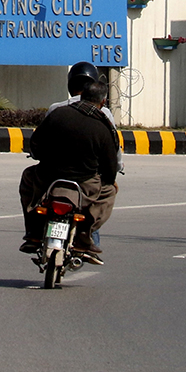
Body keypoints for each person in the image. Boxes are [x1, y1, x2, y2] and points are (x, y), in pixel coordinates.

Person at [20, 68, 120, 259]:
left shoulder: (57, 113)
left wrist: (44, 159)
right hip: (85, 183)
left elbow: (36, 144)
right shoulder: (103, 125)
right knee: (109, 191)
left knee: (27, 176)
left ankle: (33, 231)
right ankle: (84, 233)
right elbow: (110, 165)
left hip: (48, 178)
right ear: (102, 102)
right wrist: (109, 180)